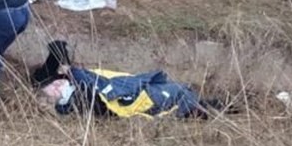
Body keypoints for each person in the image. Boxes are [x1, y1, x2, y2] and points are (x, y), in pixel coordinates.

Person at [32, 41, 222, 119]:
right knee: (192, 102)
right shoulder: (81, 100)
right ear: (62, 99)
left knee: (41, 78)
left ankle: (218, 106)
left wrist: (60, 63)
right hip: (152, 98)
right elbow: (98, 90)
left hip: (150, 91)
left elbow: (52, 74)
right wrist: (73, 71)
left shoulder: (71, 86)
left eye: (54, 84)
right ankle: (221, 106)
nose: (58, 84)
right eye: (57, 90)